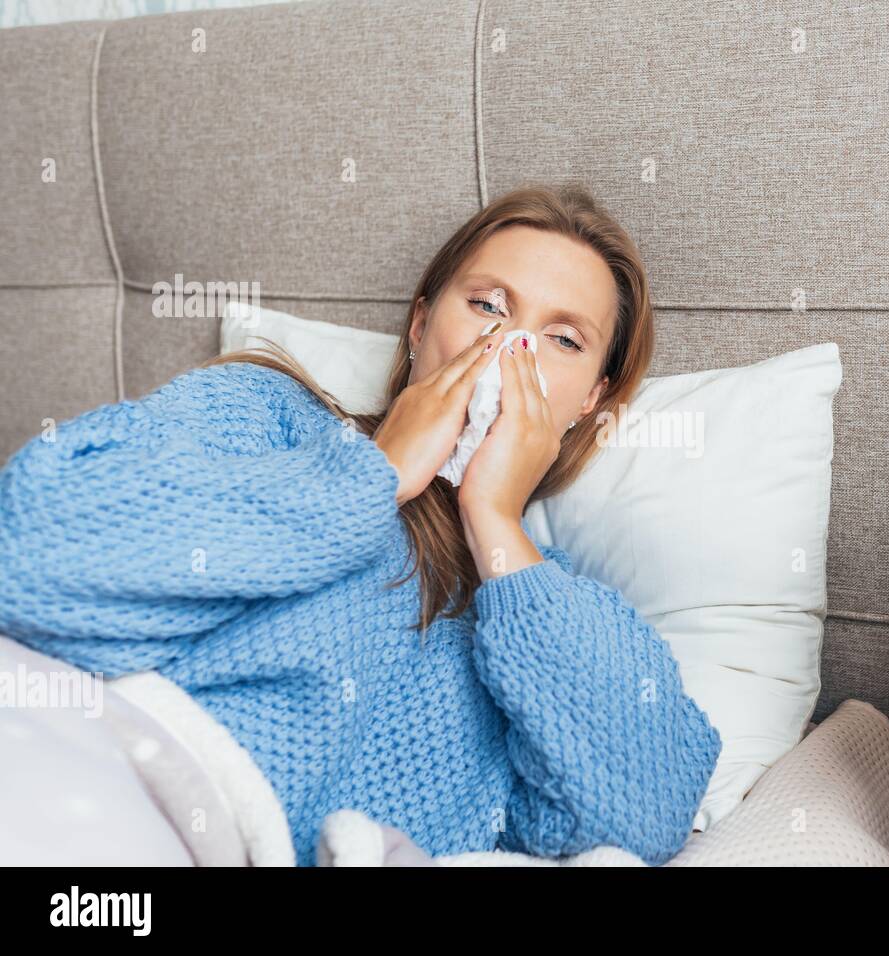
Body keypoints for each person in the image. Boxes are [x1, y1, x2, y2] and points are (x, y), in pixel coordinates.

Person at [0, 183, 722, 867]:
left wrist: (495, 521)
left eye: (563, 340)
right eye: (489, 305)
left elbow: (647, 813)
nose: (510, 351)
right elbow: (28, 554)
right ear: (419, 324)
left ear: (589, 402)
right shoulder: (266, 418)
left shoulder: (557, 625)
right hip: (71, 760)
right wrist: (370, 476)